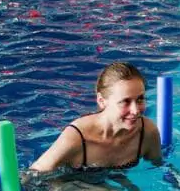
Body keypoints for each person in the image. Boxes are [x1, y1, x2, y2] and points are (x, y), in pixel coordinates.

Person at [30, 62, 162, 173]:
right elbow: (35, 173)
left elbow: (159, 166)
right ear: (101, 101)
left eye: (140, 99)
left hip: (112, 180)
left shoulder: (147, 132)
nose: (135, 110)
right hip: (68, 182)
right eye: (125, 101)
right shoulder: (77, 136)